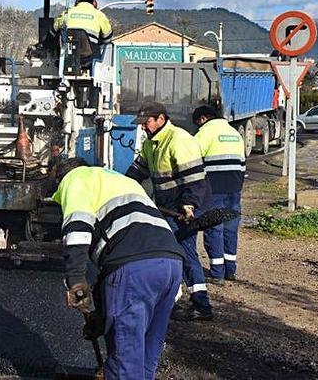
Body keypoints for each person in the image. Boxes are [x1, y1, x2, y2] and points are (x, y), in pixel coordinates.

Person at [52, 157, 184, 379]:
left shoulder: (75, 179)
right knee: (145, 354)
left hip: (135, 267)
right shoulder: (119, 180)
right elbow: (111, 274)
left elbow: (78, 228)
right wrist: (102, 318)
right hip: (171, 264)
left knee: (125, 360)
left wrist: (75, 279)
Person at [125, 100, 213, 321]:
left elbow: (195, 180)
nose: (143, 127)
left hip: (183, 209)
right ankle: (173, 300)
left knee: (184, 253)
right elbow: (137, 171)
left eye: (147, 122)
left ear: (161, 119)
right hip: (166, 209)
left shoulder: (179, 140)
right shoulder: (151, 143)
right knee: (170, 253)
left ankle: (201, 305)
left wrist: (189, 205)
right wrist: (121, 187)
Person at [192, 105, 245, 283]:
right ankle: (230, 270)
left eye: (198, 122)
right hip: (234, 188)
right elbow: (243, 163)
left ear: (203, 118)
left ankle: (217, 273)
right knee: (230, 228)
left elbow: (191, 159)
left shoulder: (205, 132)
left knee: (214, 228)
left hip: (213, 188)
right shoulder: (235, 133)